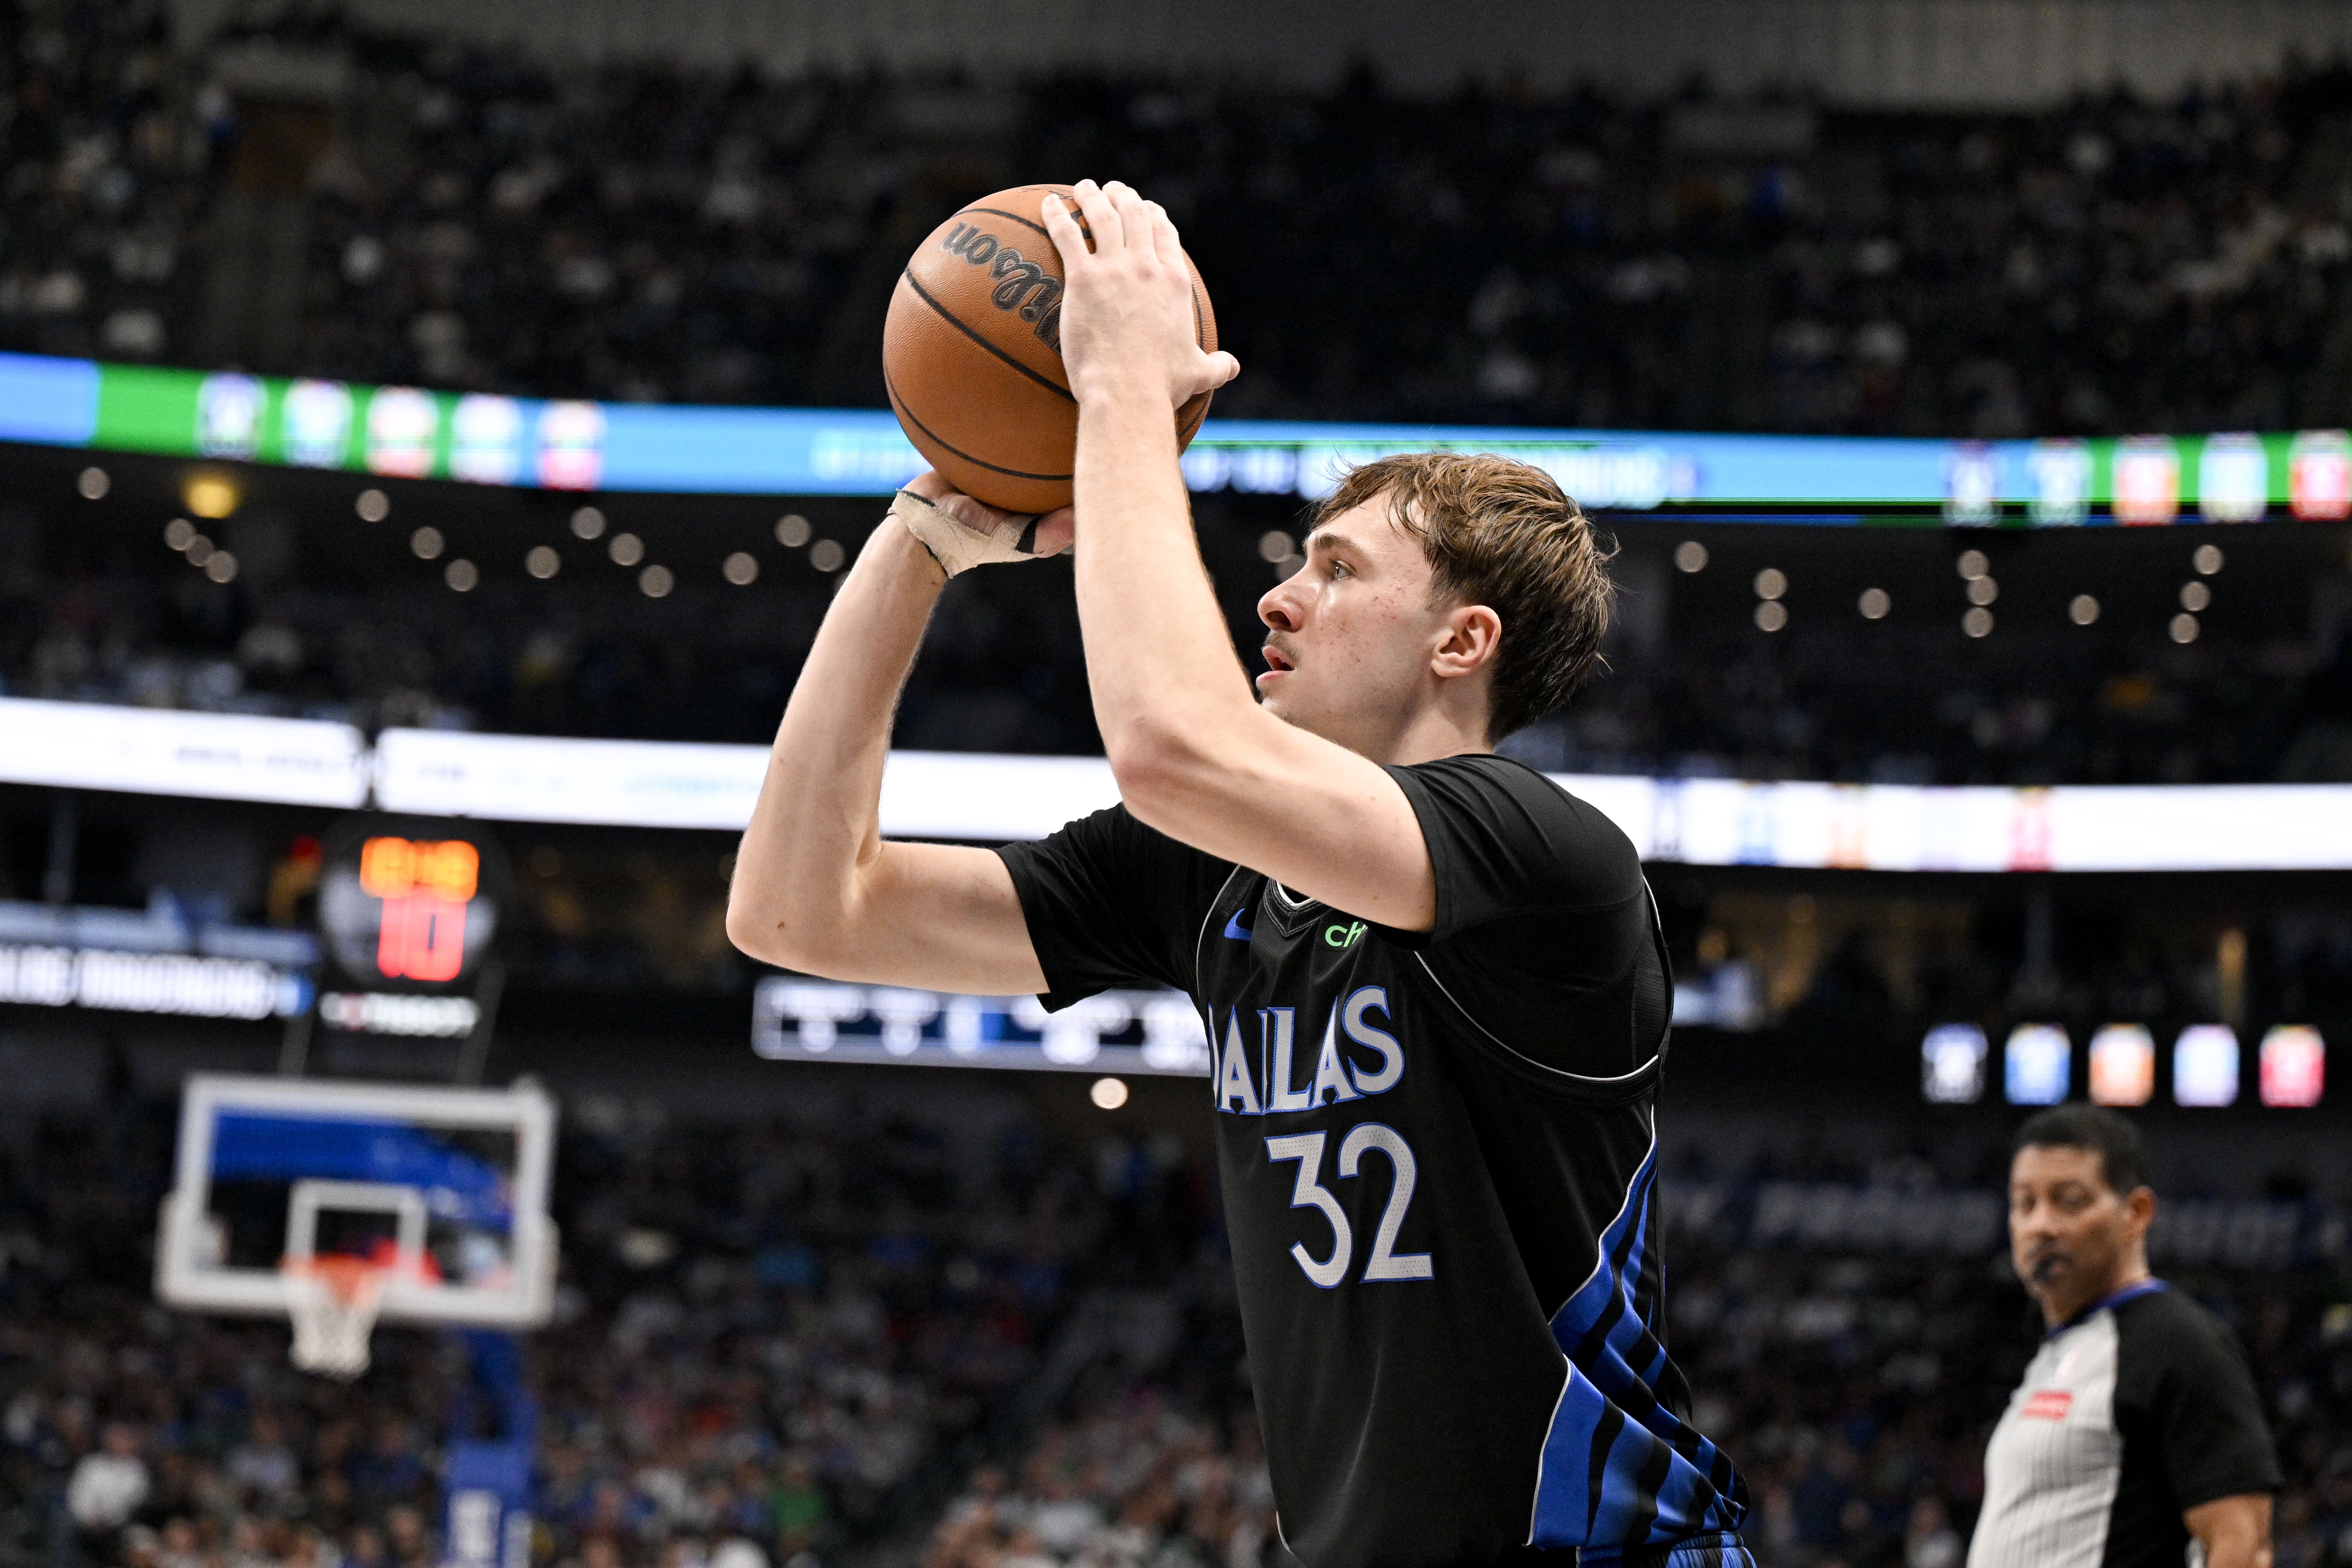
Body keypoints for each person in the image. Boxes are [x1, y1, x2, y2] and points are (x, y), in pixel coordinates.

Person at [728, 178, 1749, 1566]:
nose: (1277, 596)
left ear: (1460, 642)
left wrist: (1121, 391)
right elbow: (797, 909)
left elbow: (1169, 746)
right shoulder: (1209, 875)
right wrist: (918, 543)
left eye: (1335, 571)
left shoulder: (1541, 858)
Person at [1969, 1105, 2279, 1568]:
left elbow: (2244, 1546)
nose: (2041, 1225)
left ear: (2136, 1213)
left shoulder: (2177, 1340)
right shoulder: (2062, 1347)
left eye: (2069, 1201)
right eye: (2025, 1203)